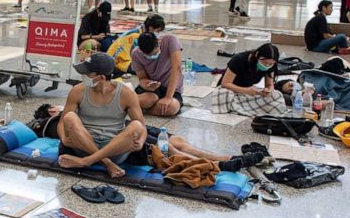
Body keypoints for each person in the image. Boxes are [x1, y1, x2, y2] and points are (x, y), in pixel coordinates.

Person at [57, 53, 260, 175]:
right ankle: (219, 163)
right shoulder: (78, 93)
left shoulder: (125, 94)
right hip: (86, 144)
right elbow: (64, 121)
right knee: (169, 147)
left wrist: (141, 137)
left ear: (101, 77)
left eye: (87, 74)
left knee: (157, 135)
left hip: (115, 145)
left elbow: (141, 125)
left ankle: (223, 159)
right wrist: (64, 135)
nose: (83, 77)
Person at [212, 43, 286, 117]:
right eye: (265, 62)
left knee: (276, 95)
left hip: (248, 92)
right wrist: (246, 90)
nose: (267, 66)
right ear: (257, 55)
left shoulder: (271, 66)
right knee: (224, 94)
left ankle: (243, 107)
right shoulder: (239, 59)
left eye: (270, 64)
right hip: (230, 89)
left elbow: (270, 85)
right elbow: (225, 84)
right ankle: (243, 107)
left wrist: (268, 91)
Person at [131, 19, 185, 117]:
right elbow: (142, 78)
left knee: (171, 108)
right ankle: (134, 105)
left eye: (155, 53)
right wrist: (147, 85)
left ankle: (138, 109)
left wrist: (168, 97)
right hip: (152, 90)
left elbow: (176, 68)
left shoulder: (170, 40)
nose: (152, 56)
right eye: (148, 55)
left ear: (158, 43)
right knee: (148, 100)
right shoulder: (136, 54)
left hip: (172, 89)